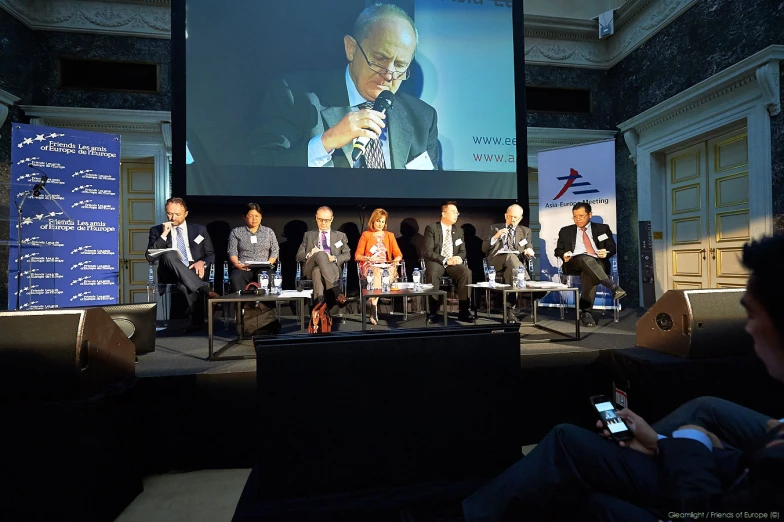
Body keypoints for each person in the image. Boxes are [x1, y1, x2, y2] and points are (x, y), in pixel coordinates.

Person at [462, 234, 784, 521]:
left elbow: (701, 507)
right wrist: (661, 442)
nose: (746, 327)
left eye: (753, 315)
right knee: (704, 409)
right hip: (723, 462)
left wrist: (689, 442)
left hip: (704, 478)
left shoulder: (770, 471)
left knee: (578, 465)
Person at [254, 3, 439, 170]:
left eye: (399, 66)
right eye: (380, 59)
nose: (388, 75)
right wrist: (326, 141)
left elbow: (430, 192)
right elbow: (260, 166)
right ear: (351, 48)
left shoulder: (422, 119)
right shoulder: (296, 96)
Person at [146, 197, 218, 333]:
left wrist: (202, 262)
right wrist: (164, 234)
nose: (173, 217)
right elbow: (150, 256)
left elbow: (210, 254)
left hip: (193, 268)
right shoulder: (156, 231)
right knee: (168, 254)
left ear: (186, 213)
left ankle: (197, 323)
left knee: (184, 285)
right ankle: (204, 289)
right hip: (170, 271)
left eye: (177, 214)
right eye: (169, 213)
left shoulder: (199, 230)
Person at [554, 202, 626, 327]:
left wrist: (606, 252)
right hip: (574, 262)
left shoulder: (603, 229)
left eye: (581, 216)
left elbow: (612, 248)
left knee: (589, 272)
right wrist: (564, 254)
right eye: (575, 216)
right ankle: (613, 287)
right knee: (583, 258)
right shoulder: (565, 231)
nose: (577, 219)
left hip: (597, 262)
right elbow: (558, 250)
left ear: (590, 215)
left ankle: (586, 313)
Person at [482, 204, 534, 324]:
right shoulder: (494, 228)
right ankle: (526, 283)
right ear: (505, 216)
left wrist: (529, 251)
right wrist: (496, 236)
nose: (512, 220)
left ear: (520, 218)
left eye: (515, 217)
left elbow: (529, 246)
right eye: (510, 217)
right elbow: (484, 248)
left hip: (514, 265)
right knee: (510, 256)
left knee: (511, 271)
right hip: (496, 262)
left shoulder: (526, 231)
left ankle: (509, 310)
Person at [422, 201, 473, 323]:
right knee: (433, 273)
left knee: (466, 272)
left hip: (453, 263)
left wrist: (458, 258)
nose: (456, 215)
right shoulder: (432, 228)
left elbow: (463, 251)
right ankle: (433, 311)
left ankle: (464, 311)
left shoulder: (459, 231)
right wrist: (445, 260)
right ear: (443, 213)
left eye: (457, 213)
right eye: (453, 212)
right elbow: (427, 251)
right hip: (438, 261)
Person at [355, 208, 403, 325]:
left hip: (386, 266)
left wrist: (396, 260)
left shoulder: (390, 235)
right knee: (376, 271)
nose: (380, 224)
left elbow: (398, 254)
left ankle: (373, 306)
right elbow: (357, 256)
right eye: (378, 221)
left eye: (382, 221)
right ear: (373, 222)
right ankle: (374, 307)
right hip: (370, 265)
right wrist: (368, 258)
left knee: (383, 272)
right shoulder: (366, 235)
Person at [296, 206, 351, 307]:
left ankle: (319, 308)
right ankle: (337, 291)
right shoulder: (308, 235)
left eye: (327, 220)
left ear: (332, 219)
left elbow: (347, 255)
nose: (323, 223)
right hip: (310, 267)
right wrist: (310, 254)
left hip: (332, 268)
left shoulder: (340, 236)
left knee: (317, 271)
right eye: (321, 220)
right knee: (320, 254)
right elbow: (299, 256)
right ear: (316, 218)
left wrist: (334, 258)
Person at [227, 203, 279, 292]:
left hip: (264, 267)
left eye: (257, 216)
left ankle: (265, 305)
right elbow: (232, 251)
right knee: (236, 278)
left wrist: (269, 263)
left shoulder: (268, 231)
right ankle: (241, 305)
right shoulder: (236, 232)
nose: (254, 219)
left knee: (269, 278)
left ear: (261, 217)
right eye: (250, 216)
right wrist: (236, 264)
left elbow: (275, 250)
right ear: (244, 217)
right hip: (243, 267)